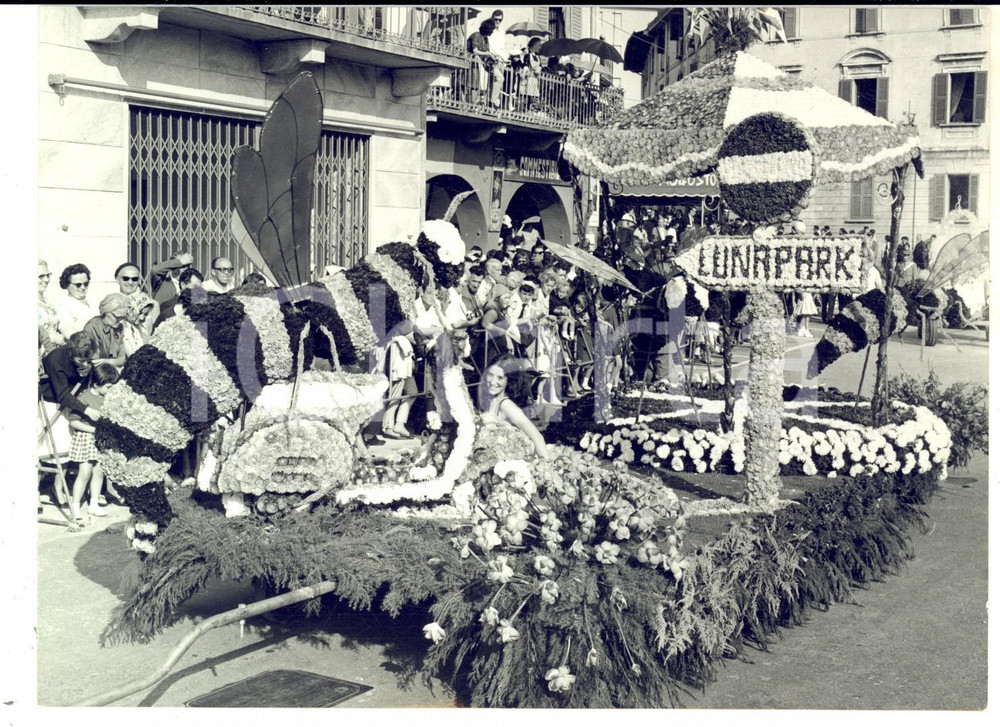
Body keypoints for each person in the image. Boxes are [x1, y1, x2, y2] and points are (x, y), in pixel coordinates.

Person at [66, 363, 120, 522]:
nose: (111, 390)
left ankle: (94, 504)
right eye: (109, 387)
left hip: (100, 438)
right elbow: (73, 422)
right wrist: (93, 431)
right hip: (87, 437)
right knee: (85, 473)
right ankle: (75, 507)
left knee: (99, 471)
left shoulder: (108, 398)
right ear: (97, 384)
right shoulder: (84, 398)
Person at [477, 354, 549, 460]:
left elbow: (537, 437)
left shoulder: (506, 405)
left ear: (508, 380)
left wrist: (545, 467)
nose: (493, 382)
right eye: (490, 375)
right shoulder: (490, 401)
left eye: (500, 378)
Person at [382, 333, 417, 439]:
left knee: (412, 392)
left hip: (407, 364)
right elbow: (414, 338)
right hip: (398, 361)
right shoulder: (405, 324)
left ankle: (399, 424)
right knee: (396, 395)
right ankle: (388, 426)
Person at [81, 293, 130, 369]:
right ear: (106, 312)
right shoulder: (92, 328)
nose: (120, 321)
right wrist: (113, 362)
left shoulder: (119, 328)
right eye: (117, 317)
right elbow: (95, 361)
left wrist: (105, 361)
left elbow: (121, 360)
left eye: (123, 317)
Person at [114, 262, 159, 340]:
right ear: (117, 280)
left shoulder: (152, 304)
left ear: (139, 281)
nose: (130, 282)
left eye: (134, 279)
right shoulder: (110, 302)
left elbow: (155, 335)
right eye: (126, 278)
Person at [150, 251, 194, 327]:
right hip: (161, 325)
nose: (185, 269)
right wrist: (180, 262)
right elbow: (155, 271)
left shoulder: (191, 284)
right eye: (182, 266)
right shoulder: (162, 282)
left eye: (188, 266)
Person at [467, 19, 504, 107]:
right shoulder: (476, 35)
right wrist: (488, 54)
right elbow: (475, 51)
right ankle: (479, 102)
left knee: (500, 78)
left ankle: (492, 100)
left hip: (482, 63)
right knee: (472, 85)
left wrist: (495, 57)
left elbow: (486, 52)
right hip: (471, 62)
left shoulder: (486, 39)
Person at [55, 263, 94, 339]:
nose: (83, 287)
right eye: (78, 285)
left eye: (86, 284)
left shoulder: (94, 300)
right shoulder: (64, 306)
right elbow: (71, 335)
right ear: (67, 285)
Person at [38, 260, 64, 363]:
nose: (46, 279)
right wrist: (53, 338)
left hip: (54, 357)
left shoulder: (49, 303)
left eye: (48, 275)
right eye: (41, 276)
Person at [519, 37, 543, 111]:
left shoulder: (538, 57)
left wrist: (539, 69)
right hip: (529, 78)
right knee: (526, 94)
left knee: (533, 96)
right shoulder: (528, 55)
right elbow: (526, 65)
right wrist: (524, 72)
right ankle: (523, 109)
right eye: (539, 45)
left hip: (535, 79)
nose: (540, 47)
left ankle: (531, 109)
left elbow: (540, 66)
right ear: (534, 45)